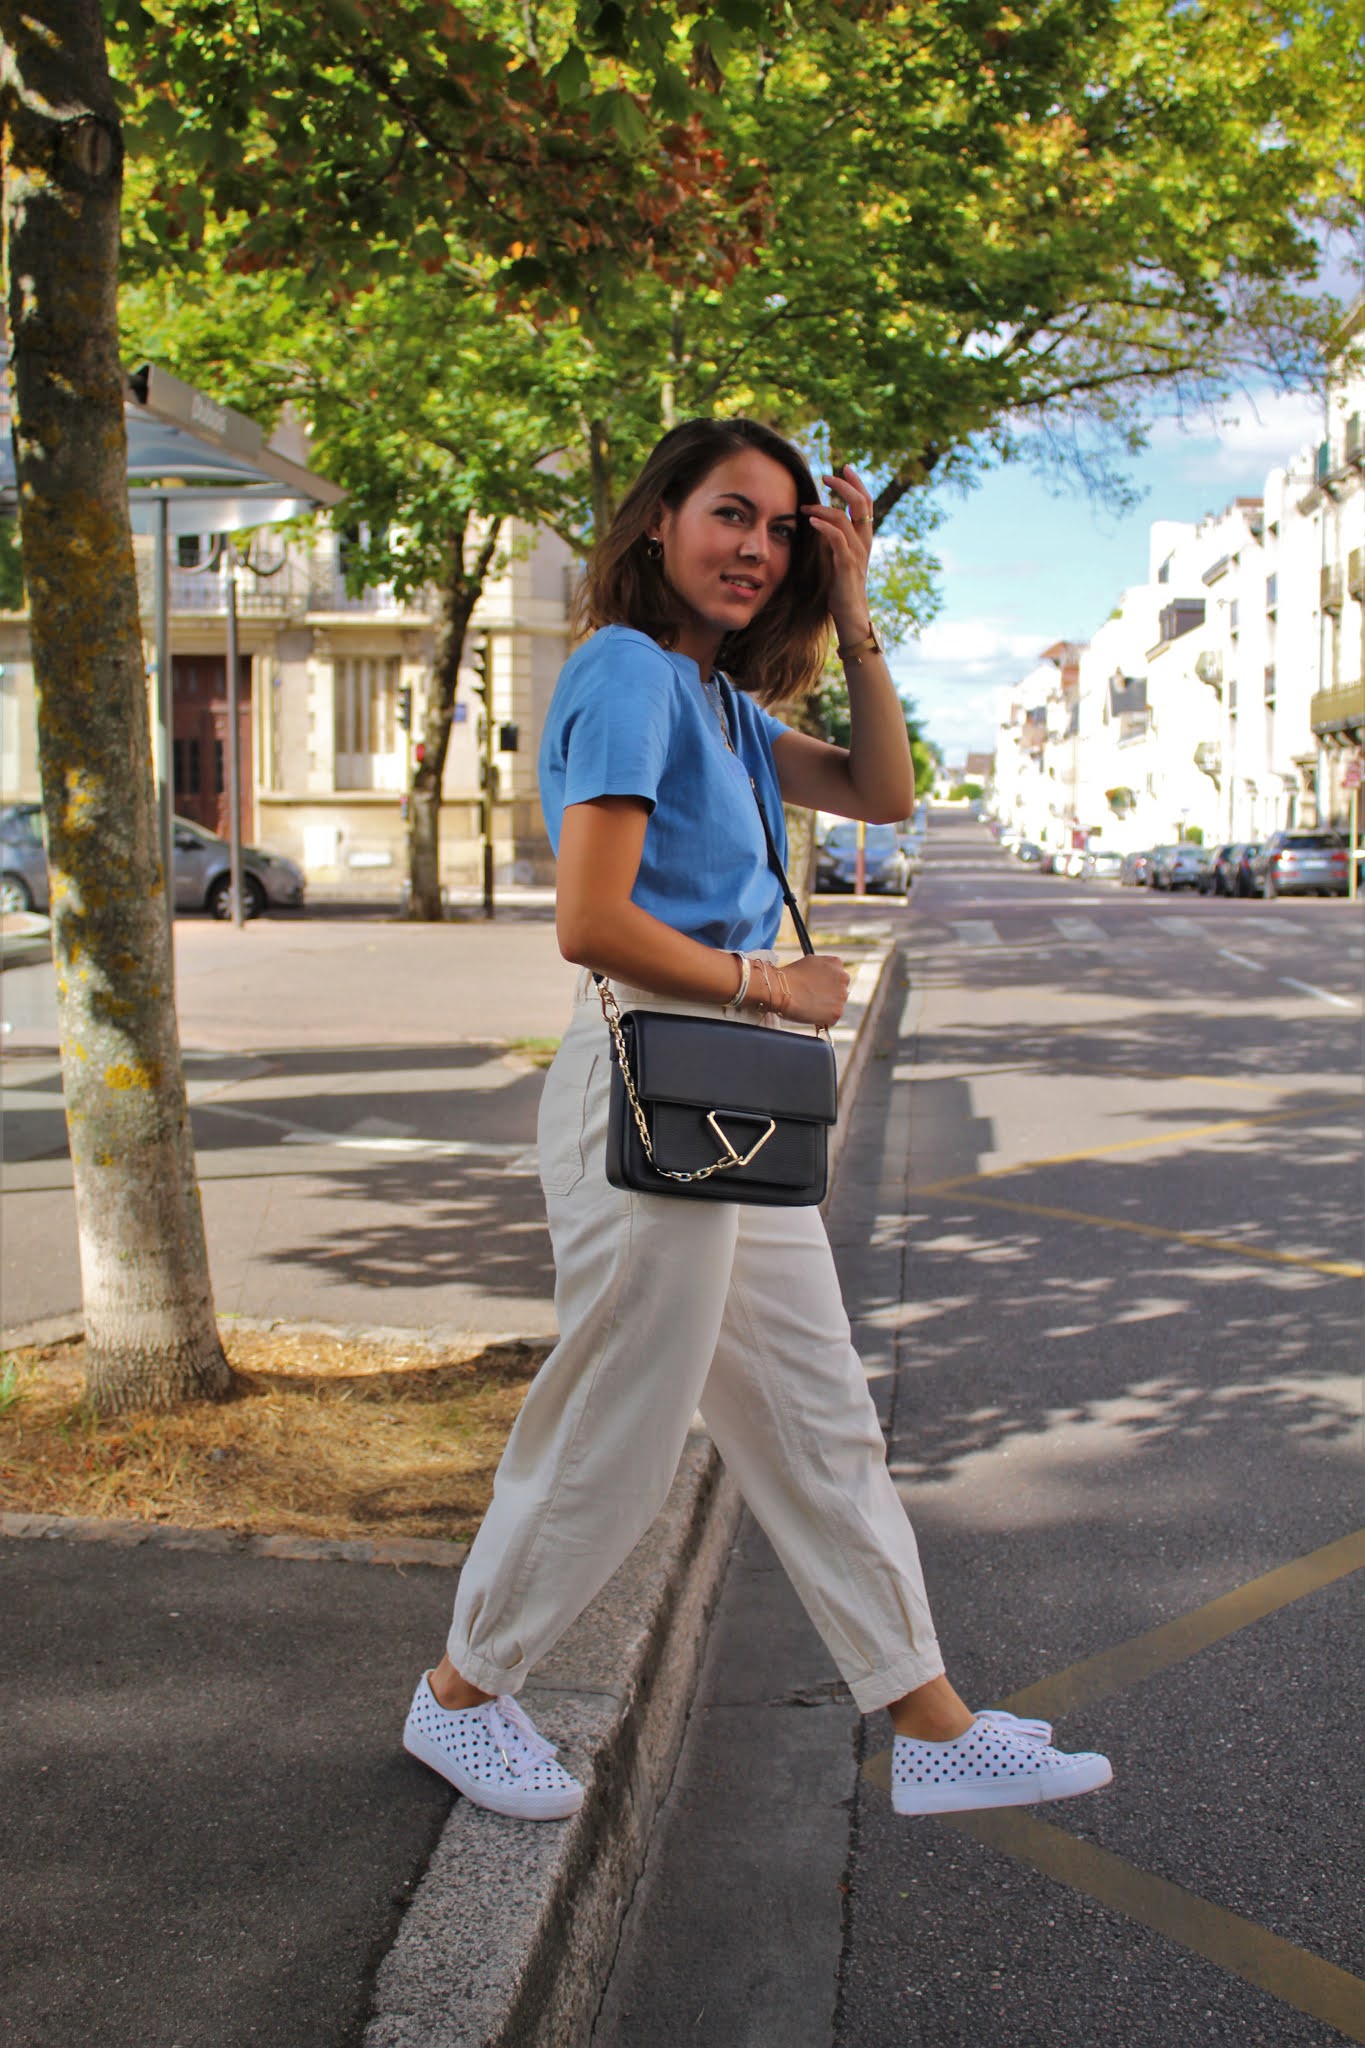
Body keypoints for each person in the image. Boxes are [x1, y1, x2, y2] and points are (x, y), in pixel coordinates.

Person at [401, 417, 1113, 1821]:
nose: (755, 548)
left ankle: (928, 1720)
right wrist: (769, 984)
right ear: (657, 519)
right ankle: (461, 1697)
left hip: (725, 1096)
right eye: (731, 513)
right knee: (619, 1414)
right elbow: (591, 923)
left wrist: (854, 615)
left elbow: (886, 796)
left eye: (782, 529)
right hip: (659, 1075)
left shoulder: (716, 705)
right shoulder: (621, 674)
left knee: (812, 1413)